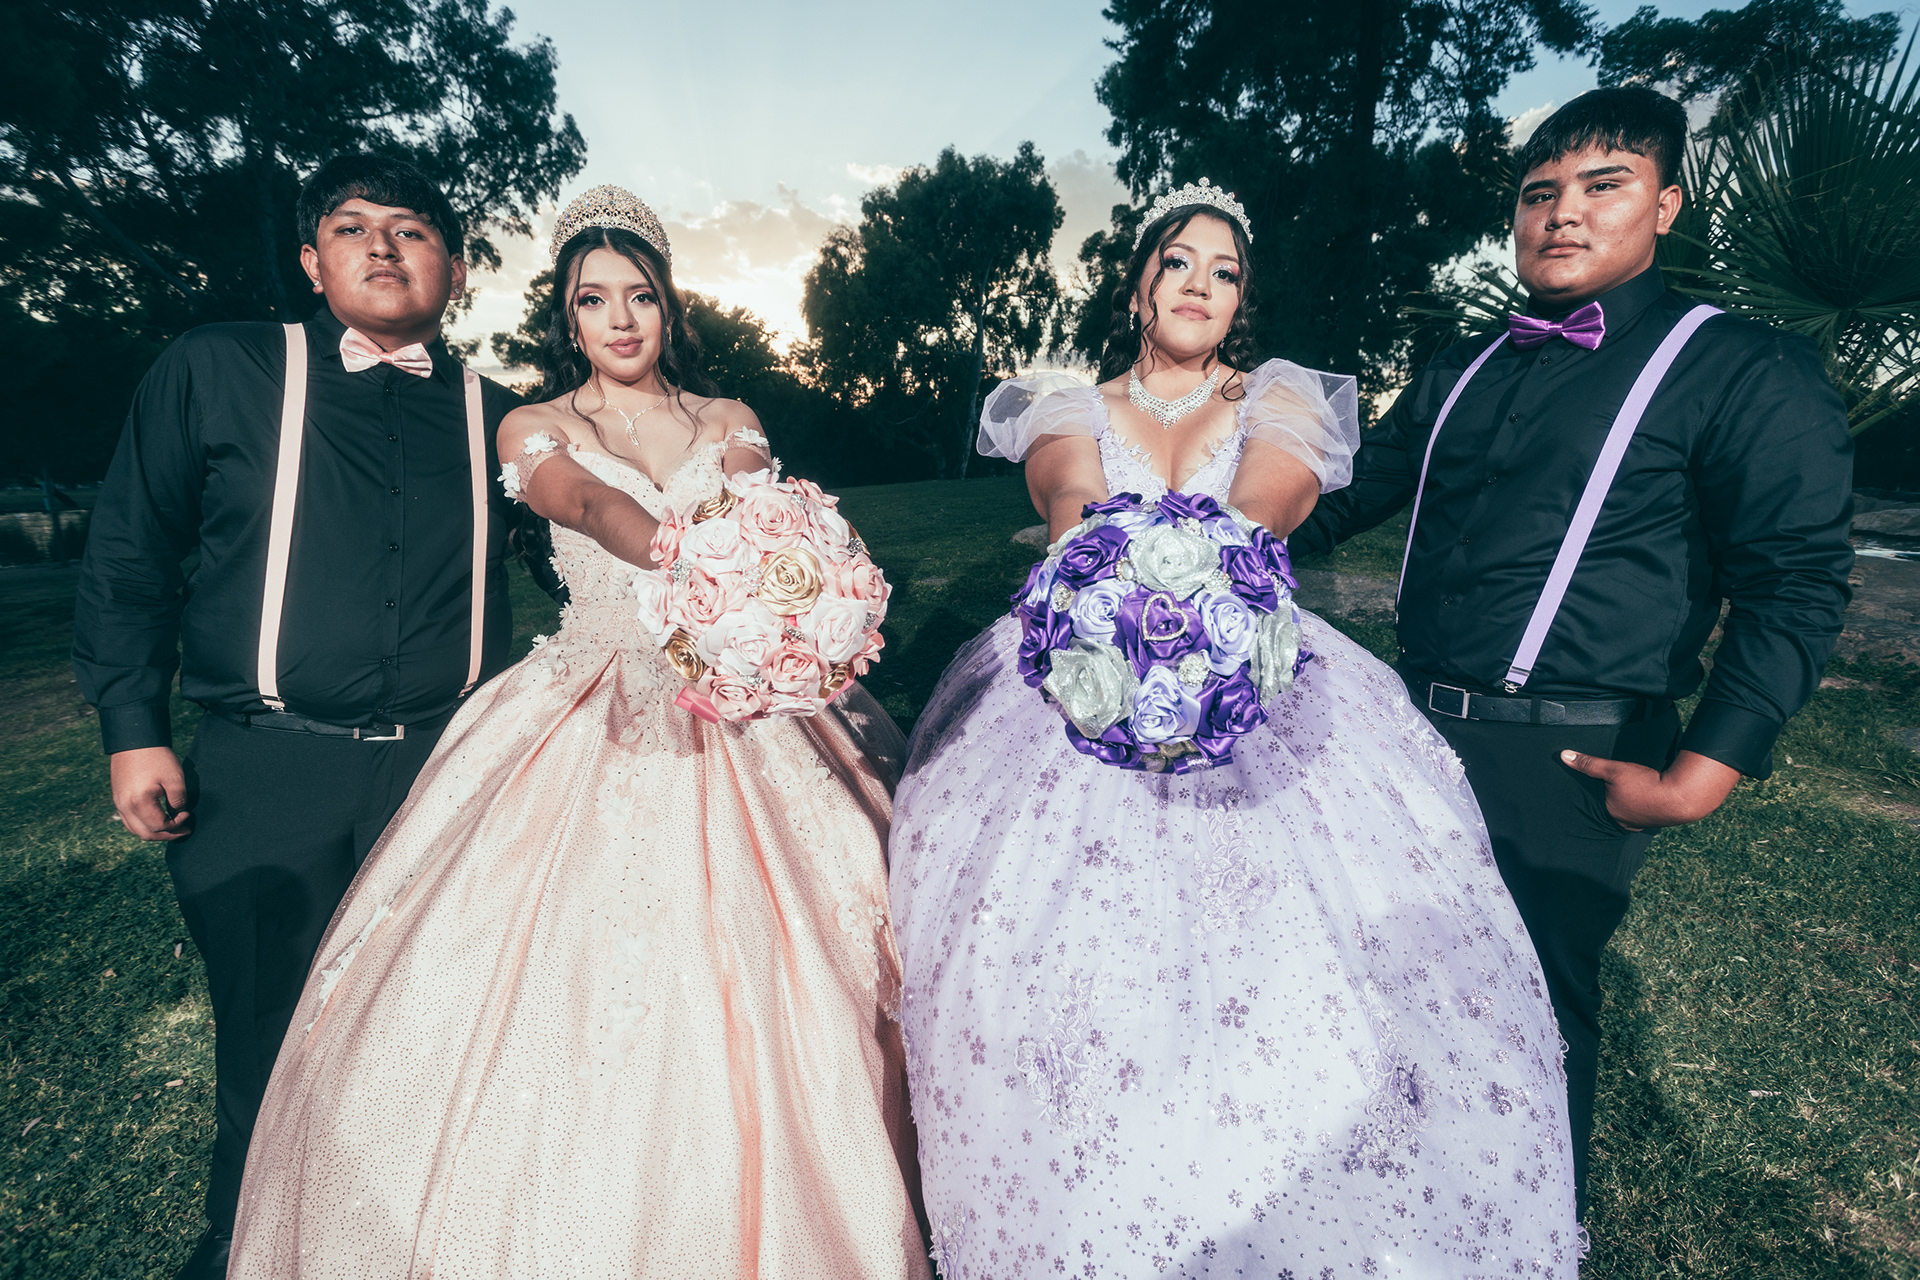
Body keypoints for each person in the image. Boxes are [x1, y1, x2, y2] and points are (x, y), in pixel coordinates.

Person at [227, 185, 931, 1280]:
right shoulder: (536, 424)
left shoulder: (729, 418)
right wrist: (690, 562)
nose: (619, 319)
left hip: (744, 694)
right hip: (594, 690)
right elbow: (587, 506)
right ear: (566, 315)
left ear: (668, 304)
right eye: (592, 299)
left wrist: (775, 588)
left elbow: (765, 516)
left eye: (638, 294)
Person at [889, 182, 1582, 1278]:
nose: (1199, 284)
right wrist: (1112, 615)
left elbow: (1268, 508)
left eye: (1225, 271)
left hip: (1249, 665)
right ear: (1137, 285)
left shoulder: (1277, 397)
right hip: (1084, 661)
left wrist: (1206, 597)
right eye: (1178, 261)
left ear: (1241, 299)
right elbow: (1071, 505)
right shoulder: (1070, 405)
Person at [1291, 86, 1854, 1213]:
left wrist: (1702, 773)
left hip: (1567, 756)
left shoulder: (1746, 367)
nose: (1563, 213)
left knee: (1531, 1018)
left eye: (1605, 185)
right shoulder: (1463, 363)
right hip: (1403, 735)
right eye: (1540, 192)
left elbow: (1794, 584)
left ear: (1666, 206)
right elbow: (1342, 493)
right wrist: (1181, 547)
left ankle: (1534, 1235)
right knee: (1376, 995)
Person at [71, 154, 519, 1280]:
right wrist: (132, 723)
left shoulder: (506, 419)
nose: (383, 246)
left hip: (447, 772)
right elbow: (131, 549)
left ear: (456, 269)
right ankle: (244, 1239)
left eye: (411, 229)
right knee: (268, 1031)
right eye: (353, 227)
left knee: (435, 1031)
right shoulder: (218, 367)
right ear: (313, 262)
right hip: (265, 769)